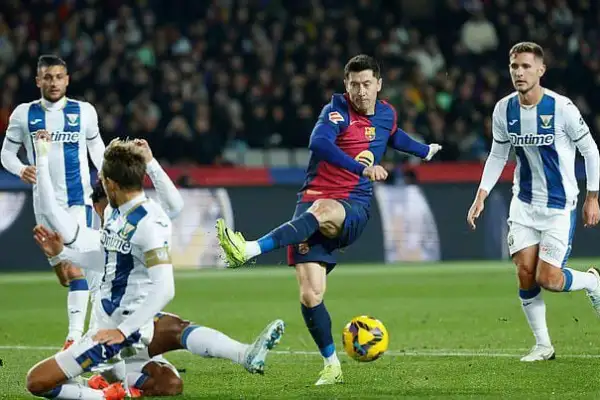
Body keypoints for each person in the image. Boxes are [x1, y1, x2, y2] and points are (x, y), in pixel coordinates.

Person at [216, 54, 442, 385]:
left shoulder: (386, 113)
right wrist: (362, 167)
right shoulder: (336, 111)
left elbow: (393, 135)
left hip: (352, 206)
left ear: (379, 85)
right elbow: (319, 143)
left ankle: (249, 249)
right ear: (346, 86)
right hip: (311, 204)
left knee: (322, 210)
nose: (361, 92)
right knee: (311, 295)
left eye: (367, 84)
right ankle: (332, 365)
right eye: (354, 85)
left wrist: (424, 150)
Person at [32, 135, 284, 398]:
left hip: (123, 329)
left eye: (103, 181)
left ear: (112, 184)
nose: (102, 185)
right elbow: (107, 259)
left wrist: (122, 332)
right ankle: (114, 388)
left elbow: (165, 288)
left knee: (37, 382)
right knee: (168, 377)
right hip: (113, 323)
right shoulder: (113, 214)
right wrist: (64, 253)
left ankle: (107, 393)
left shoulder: (149, 223)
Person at [467, 42, 600, 362]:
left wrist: (592, 197)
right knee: (525, 272)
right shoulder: (504, 110)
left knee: (549, 279)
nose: (519, 72)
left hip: (558, 206)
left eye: (526, 66)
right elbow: (498, 154)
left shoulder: (562, 108)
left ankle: (593, 282)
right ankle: (543, 345)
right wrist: (481, 194)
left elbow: (591, 151)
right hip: (524, 204)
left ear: (541, 70)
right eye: (514, 66)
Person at [0, 55, 105, 349]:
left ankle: (75, 337)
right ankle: (83, 331)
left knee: (77, 267)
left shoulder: (84, 112)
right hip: (44, 204)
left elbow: (96, 146)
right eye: (48, 77)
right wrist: (21, 169)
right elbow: (6, 154)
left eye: (59, 77)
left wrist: (108, 174)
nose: (54, 82)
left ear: (67, 79)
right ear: (38, 81)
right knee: (65, 274)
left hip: (78, 201)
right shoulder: (24, 114)